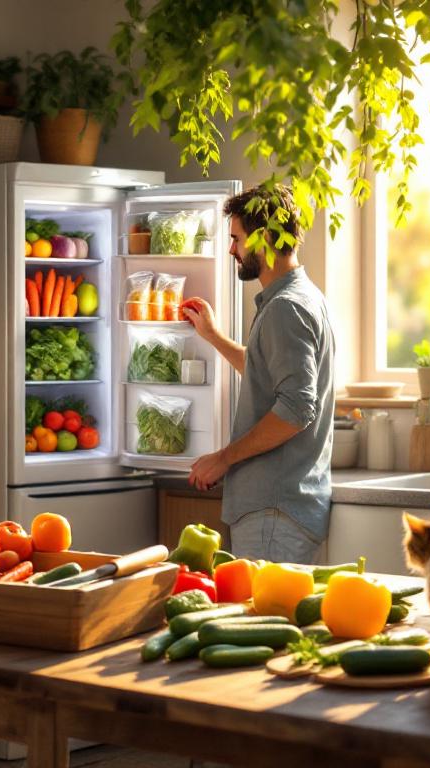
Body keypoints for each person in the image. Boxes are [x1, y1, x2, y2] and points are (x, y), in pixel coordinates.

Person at [183, 183, 336, 564]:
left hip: (275, 510)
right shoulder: (303, 298)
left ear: (265, 238)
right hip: (278, 510)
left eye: (236, 239)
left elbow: (298, 409)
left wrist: (224, 457)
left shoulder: (286, 308)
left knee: (261, 619)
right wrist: (214, 337)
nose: (232, 249)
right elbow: (266, 376)